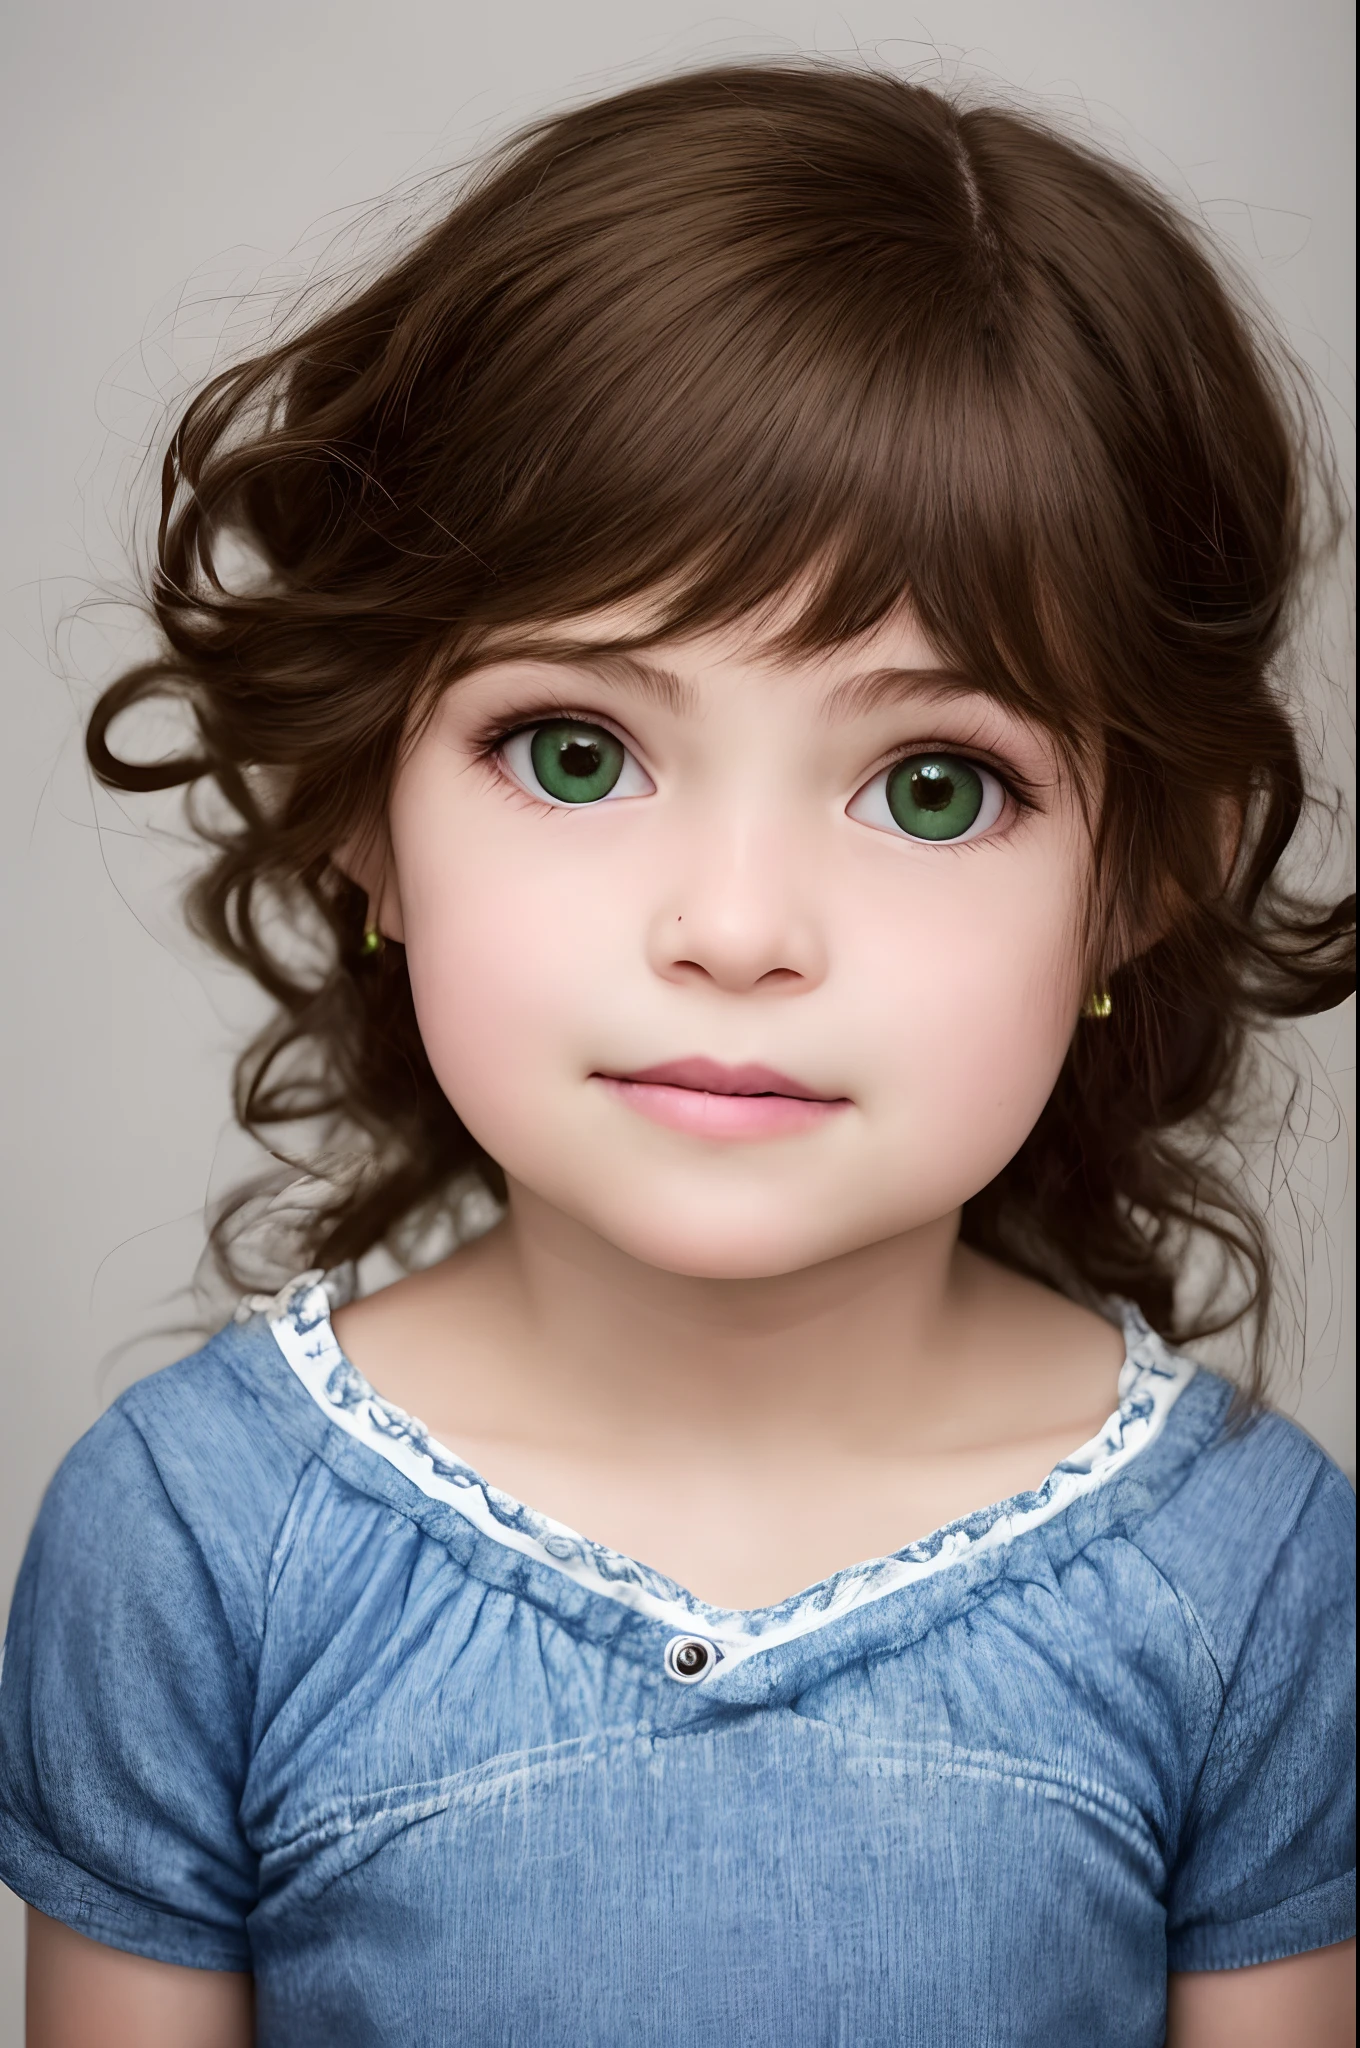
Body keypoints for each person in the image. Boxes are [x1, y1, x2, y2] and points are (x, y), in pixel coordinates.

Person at [1, 60, 1353, 2048]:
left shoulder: (1243, 1576)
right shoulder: (194, 1549)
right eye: (574, 750)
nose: (731, 928)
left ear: (1148, 868)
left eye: (928, 784)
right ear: (359, 800)